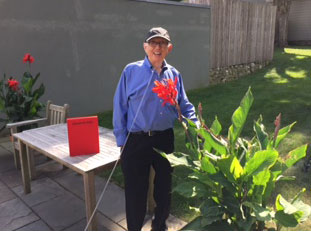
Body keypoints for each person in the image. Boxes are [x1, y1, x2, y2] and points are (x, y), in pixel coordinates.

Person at [113, 27, 198, 231]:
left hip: (164, 139)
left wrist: (196, 125)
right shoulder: (131, 71)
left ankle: (159, 226)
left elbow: (184, 104)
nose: (157, 47)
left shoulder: (174, 75)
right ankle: (134, 228)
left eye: (162, 43)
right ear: (145, 47)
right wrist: (122, 141)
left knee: (164, 190)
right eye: (153, 43)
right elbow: (120, 106)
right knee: (136, 192)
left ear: (169, 48)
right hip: (136, 140)